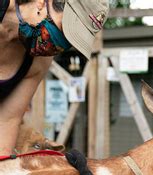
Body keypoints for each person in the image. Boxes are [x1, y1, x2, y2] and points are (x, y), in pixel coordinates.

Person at [0, 0, 109, 155]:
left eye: (69, 41)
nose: (59, 45)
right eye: (63, 31)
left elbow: (6, 120)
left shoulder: (38, 61)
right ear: (41, 3)